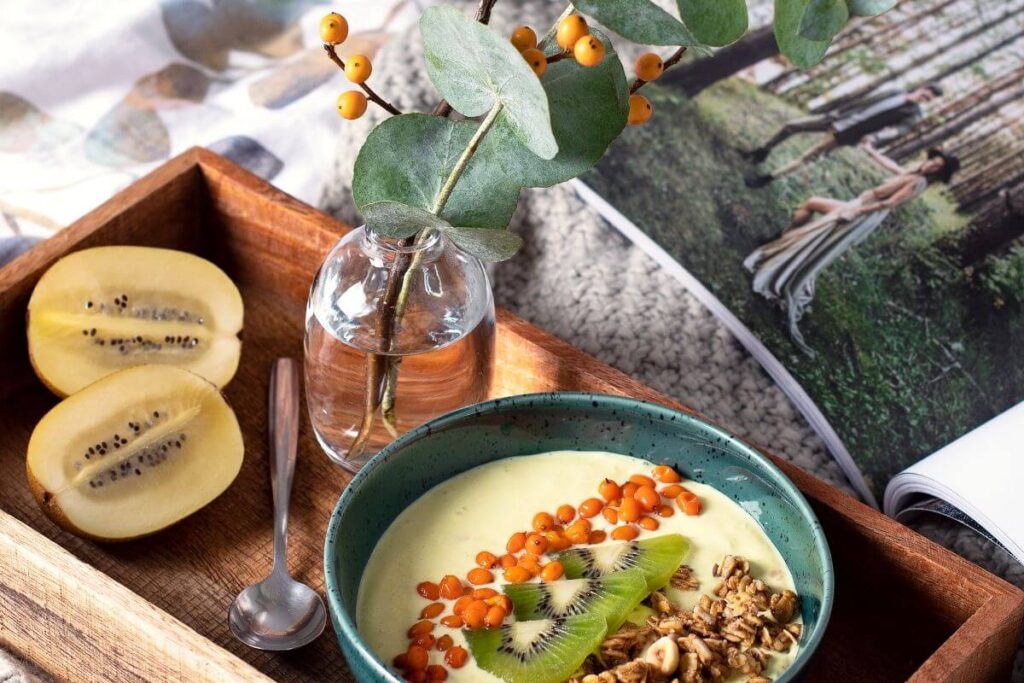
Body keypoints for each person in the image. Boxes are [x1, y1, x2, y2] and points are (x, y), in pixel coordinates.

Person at [743, 148, 960, 355]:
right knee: (811, 206)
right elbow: (893, 166)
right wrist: (870, 150)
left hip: (861, 214)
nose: (930, 165)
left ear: (939, 173)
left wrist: (855, 211)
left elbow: (890, 203)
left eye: (936, 167)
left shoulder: (918, 181)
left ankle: (783, 254)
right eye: (932, 160)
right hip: (858, 206)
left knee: (815, 217)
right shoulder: (913, 173)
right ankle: (782, 243)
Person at [744, 83, 943, 188]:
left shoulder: (913, 114)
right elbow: (864, 100)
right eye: (923, 94)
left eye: (926, 99)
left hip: (849, 133)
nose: (922, 98)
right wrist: (838, 109)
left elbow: (897, 130)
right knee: (791, 126)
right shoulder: (895, 92)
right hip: (838, 118)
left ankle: (767, 179)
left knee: (809, 156)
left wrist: (875, 138)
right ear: (921, 88)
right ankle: (762, 151)